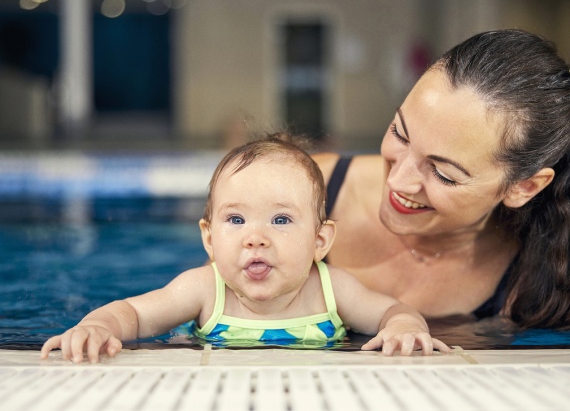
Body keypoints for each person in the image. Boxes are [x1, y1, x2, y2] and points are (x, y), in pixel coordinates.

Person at [41, 134, 450, 363]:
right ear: (208, 239)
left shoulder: (332, 290)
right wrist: (99, 326)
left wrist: (404, 328)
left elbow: (394, 312)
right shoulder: (203, 289)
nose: (255, 238)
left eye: (281, 220)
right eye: (235, 221)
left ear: (320, 241)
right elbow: (132, 313)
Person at [314, 29, 570, 329]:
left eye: (443, 174)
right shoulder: (308, 188)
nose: (397, 181)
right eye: (400, 133)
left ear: (524, 187)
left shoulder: (542, 280)